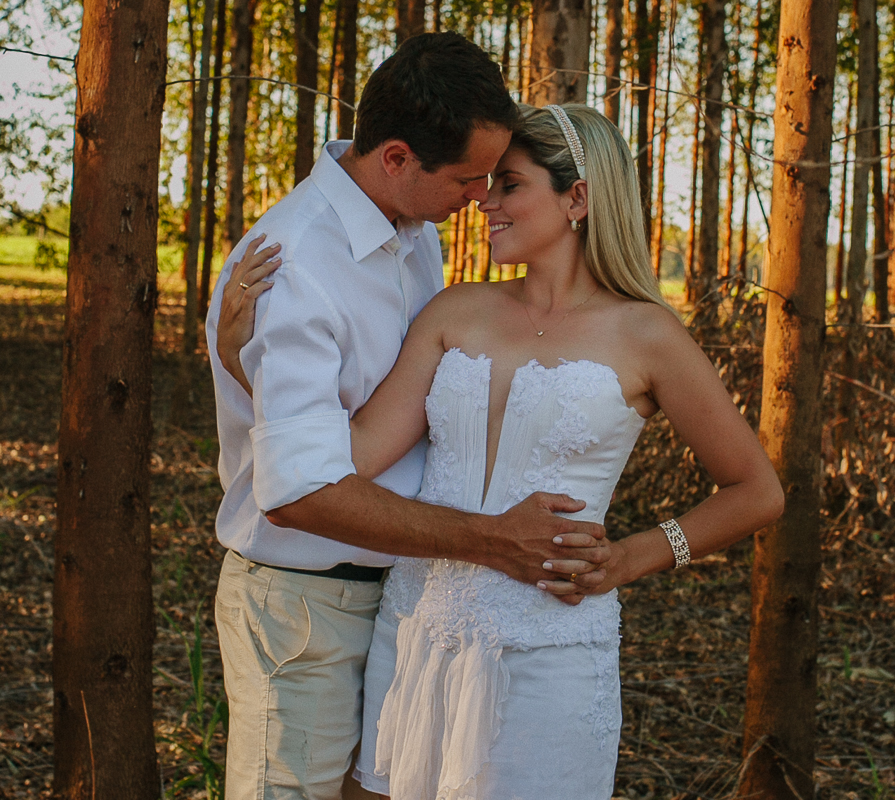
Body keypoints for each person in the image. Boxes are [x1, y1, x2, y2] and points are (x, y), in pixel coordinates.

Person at [220, 104, 785, 799]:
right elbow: (354, 453)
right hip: (415, 630)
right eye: (486, 184)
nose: (484, 202)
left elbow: (757, 490)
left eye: (509, 184)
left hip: (549, 650)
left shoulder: (648, 336)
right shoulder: (455, 310)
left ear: (577, 197)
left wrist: (631, 557)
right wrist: (246, 364)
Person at [205, 37, 613, 800]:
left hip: (406, 604)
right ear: (396, 157)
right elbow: (297, 489)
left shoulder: (415, 240)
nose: (480, 197)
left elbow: (390, 420)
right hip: (306, 611)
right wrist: (495, 541)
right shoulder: (293, 265)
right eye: (468, 178)